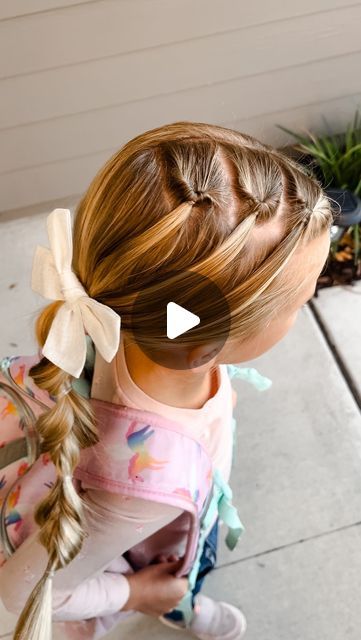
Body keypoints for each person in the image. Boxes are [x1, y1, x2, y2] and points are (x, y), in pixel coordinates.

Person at [0, 121, 332, 640]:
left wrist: (215, 405)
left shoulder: (123, 313)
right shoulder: (140, 494)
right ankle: (178, 606)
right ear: (203, 346)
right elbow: (21, 593)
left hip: (175, 489)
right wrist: (140, 593)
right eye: (300, 299)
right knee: (178, 580)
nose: (305, 302)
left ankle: (181, 601)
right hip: (139, 546)